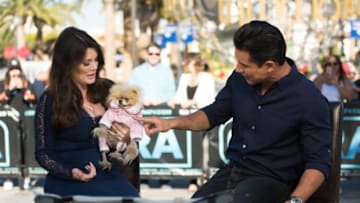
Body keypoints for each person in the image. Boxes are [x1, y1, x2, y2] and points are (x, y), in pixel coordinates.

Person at [135, 20, 332, 203]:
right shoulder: (240, 80)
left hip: (272, 181)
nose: (238, 69)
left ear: (269, 66)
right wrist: (170, 123)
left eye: (244, 65)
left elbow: (319, 162)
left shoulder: (308, 99)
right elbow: (213, 114)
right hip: (232, 171)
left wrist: (295, 200)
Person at [34, 27, 139, 197]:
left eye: (96, 60)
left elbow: (129, 136)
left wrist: (125, 139)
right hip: (68, 181)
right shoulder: (50, 99)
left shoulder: (108, 89)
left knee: (133, 199)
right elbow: (43, 153)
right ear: (67, 65)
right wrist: (70, 172)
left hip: (108, 176)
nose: (94, 68)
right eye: (86, 63)